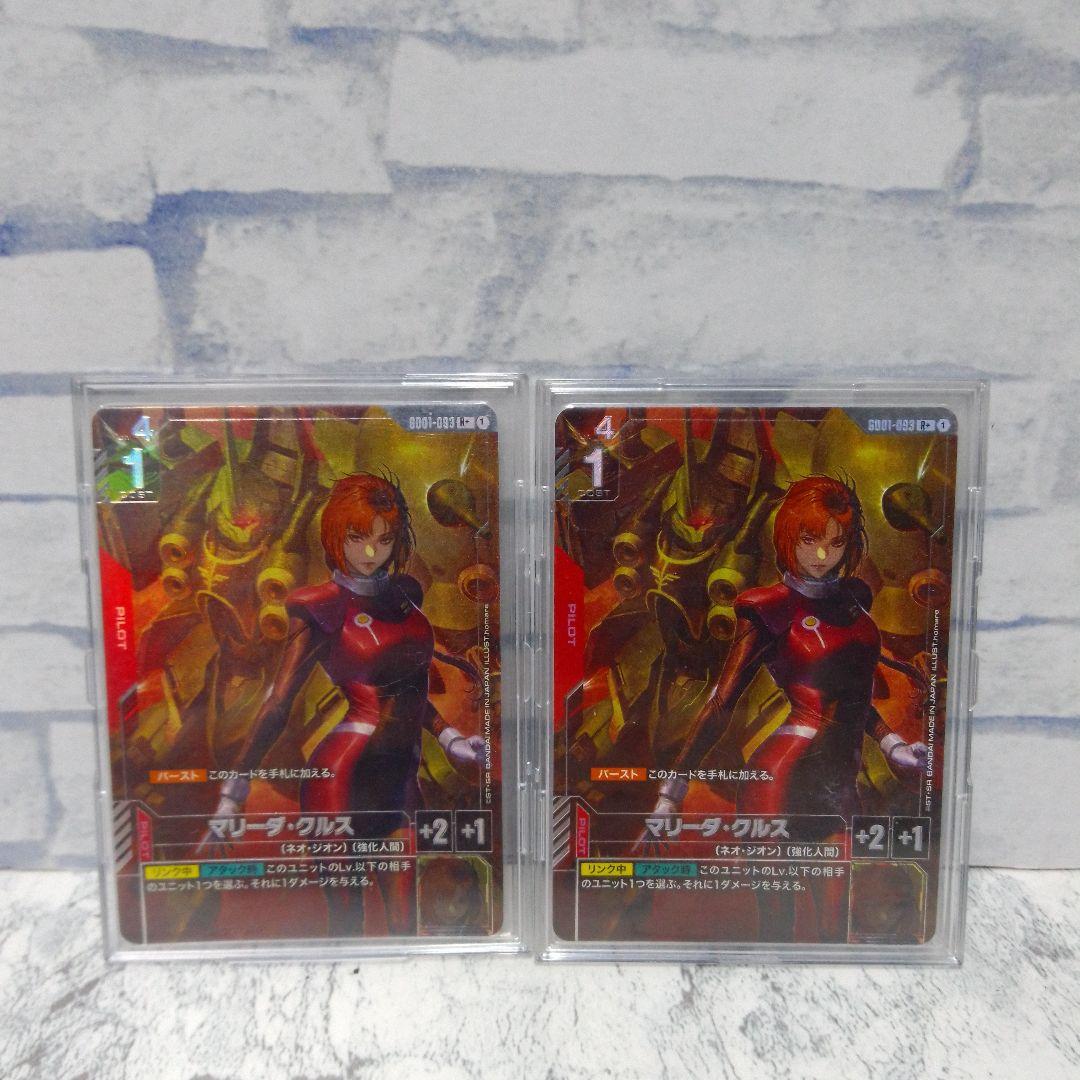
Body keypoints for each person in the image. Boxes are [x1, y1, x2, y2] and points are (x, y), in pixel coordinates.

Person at [652, 475, 927, 942]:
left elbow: (849, 695)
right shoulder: (768, 608)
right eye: (809, 540)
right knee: (777, 932)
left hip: (837, 786)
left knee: (834, 932)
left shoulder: (854, 600)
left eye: (836, 543)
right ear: (787, 538)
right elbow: (722, 701)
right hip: (779, 781)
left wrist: (891, 743)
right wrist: (671, 791)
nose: (823, 555)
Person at [210, 472, 484, 935]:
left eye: (384, 539)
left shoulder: (405, 594)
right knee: (347, 925)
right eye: (358, 538)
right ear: (336, 536)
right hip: (342, 778)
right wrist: (232, 790)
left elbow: (406, 687)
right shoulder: (320, 607)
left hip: (399, 781)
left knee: (405, 926)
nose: (371, 552)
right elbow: (279, 702)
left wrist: (449, 737)